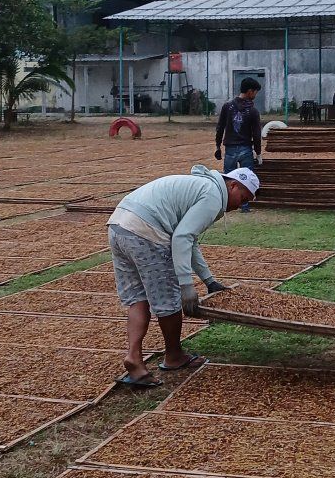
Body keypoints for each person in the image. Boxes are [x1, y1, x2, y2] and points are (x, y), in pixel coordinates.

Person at [107, 165, 260, 387]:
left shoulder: (203, 186)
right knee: (168, 300)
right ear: (233, 185)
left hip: (119, 226)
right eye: (243, 197)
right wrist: (186, 284)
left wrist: (209, 280)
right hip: (146, 232)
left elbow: (189, 238)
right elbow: (182, 238)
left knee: (137, 299)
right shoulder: (213, 196)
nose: (241, 205)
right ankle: (174, 356)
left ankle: (134, 358)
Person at [214, 78, 263, 213]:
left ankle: (226, 203)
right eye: (255, 92)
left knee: (229, 180)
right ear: (249, 91)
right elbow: (257, 134)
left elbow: (220, 128)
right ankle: (245, 206)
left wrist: (218, 146)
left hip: (230, 148)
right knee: (247, 179)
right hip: (246, 148)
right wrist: (258, 153)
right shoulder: (253, 111)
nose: (255, 95)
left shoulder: (227, 107)